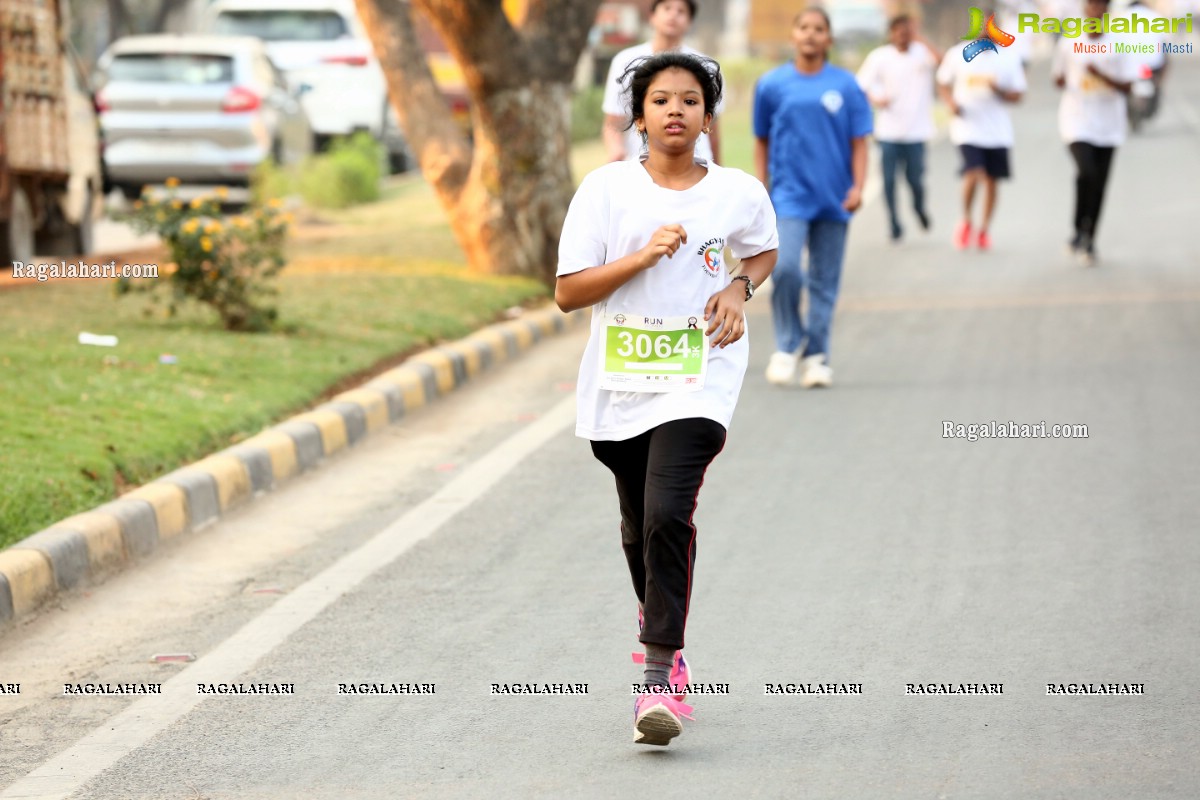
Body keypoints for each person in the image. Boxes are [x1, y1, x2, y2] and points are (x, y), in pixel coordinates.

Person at [555, 53, 778, 746]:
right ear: (639, 115)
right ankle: (667, 641)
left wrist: (738, 289)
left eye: (689, 100)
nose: (675, 110)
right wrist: (643, 258)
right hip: (622, 385)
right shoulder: (605, 190)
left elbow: (763, 250)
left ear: (707, 115)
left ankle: (658, 681)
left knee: (664, 513)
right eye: (660, 100)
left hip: (700, 377)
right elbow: (569, 292)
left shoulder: (735, 192)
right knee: (637, 528)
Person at [754, 8, 871, 388]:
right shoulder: (771, 84)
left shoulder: (847, 85)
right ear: (793, 36)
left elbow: (859, 142)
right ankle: (787, 346)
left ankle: (817, 356)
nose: (810, 34)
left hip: (834, 197)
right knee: (785, 268)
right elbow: (762, 140)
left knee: (825, 280)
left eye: (818, 29)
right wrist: (761, 190)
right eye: (803, 27)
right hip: (789, 194)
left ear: (829, 39)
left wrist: (857, 187)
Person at [1052, 0, 1137, 265]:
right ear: (1085, 10)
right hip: (1077, 121)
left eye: (1100, 7)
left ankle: (1089, 239)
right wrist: (1068, 80)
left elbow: (1128, 87)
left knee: (1099, 183)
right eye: (1091, 6)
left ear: (1107, 11)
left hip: (1109, 124)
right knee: (1086, 172)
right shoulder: (1069, 41)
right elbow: (1058, 77)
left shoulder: (1120, 42)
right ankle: (1078, 227)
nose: (1095, 12)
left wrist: (1100, 74)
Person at [936, 31, 1027, 251]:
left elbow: (1019, 95)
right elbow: (942, 83)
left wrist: (999, 91)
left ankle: (984, 229)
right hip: (967, 128)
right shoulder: (958, 54)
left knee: (991, 181)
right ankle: (966, 220)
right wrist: (951, 104)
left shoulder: (1009, 57)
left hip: (997, 131)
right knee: (973, 172)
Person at [856, 14, 942, 242]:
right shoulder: (880, 57)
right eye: (899, 31)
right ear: (891, 33)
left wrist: (920, 38)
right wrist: (877, 99)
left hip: (917, 132)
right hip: (888, 132)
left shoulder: (921, 54)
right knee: (889, 181)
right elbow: (861, 85)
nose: (903, 35)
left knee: (915, 180)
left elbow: (940, 61)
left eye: (907, 31)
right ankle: (894, 222)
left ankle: (919, 208)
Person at [601, 0, 722, 164]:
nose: (673, 15)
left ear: (689, 22)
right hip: (642, 166)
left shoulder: (707, 67)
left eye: (681, 11)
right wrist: (616, 152)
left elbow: (713, 127)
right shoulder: (625, 62)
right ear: (652, 16)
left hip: (695, 164)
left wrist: (716, 169)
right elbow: (613, 121)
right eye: (667, 8)